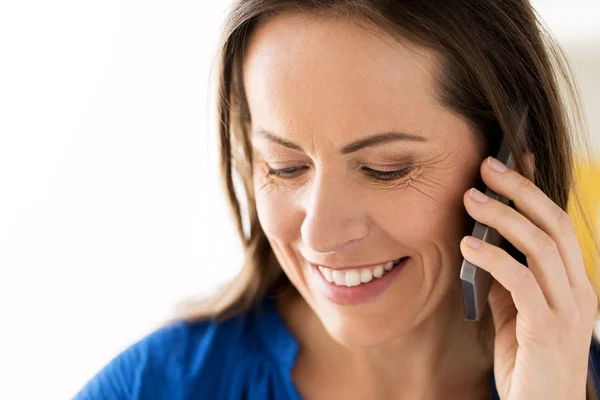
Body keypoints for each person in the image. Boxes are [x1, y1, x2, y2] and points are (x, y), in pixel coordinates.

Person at [74, 0, 600, 399]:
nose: (318, 235)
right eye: (284, 167)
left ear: (505, 163)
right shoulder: (154, 387)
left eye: (385, 169)